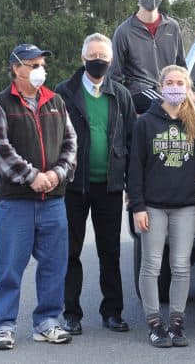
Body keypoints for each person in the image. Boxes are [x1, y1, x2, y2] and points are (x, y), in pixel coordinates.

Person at [0, 43, 77, 350]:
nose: (39, 70)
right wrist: (32, 176)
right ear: (16, 68)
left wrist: (57, 174)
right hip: (16, 202)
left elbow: (70, 144)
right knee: (10, 266)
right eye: (32, 64)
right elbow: (1, 149)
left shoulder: (56, 102)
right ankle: (3, 325)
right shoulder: (0, 104)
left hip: (53, 200)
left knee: (53, 265)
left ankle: (48, 321)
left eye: (41, 64)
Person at [55, 33, 136, 336]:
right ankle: (71, 313)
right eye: (93, 56)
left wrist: (131, 186)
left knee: (110, 252)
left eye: (103, 56)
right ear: (83, 58)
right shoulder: (64, 93)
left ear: (111, 60)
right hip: (74, 186)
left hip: (110, 186)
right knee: (69, 252)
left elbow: (130, 139)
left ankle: (112, 312)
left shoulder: (121, 95)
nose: (98, 61)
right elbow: (55, 139)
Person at [127, 65, 195, 348]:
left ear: (188, 87)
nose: (174, 86)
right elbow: (135, 168)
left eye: (180, 82)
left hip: (185, 205)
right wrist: (137, 206)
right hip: (153, 206)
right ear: (160, 86)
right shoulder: (145, 122)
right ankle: (155, 323)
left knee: (181, 265)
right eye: (169, 82)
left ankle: (177, 323)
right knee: (152, 265)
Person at [109, 0, 186, 114]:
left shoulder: (172, 27)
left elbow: (181, 66)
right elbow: (115, 75)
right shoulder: (124, 31)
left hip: (170, 88)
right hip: (140, 91)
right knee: (164, 105)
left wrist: (189, 93)